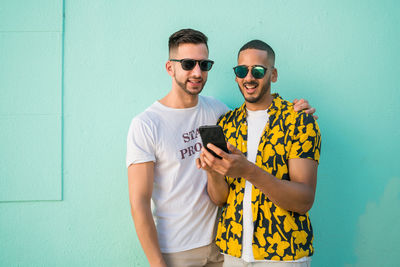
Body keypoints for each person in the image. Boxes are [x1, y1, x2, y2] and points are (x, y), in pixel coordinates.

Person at [126, 29, 316, 267]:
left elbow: (261, 118)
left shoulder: (219, 113)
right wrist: (157, 264)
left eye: (204, 65)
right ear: (170, 67)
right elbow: (139, 203)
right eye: (188, 64)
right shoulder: (146, 124)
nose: (197, 72)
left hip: (223, 249)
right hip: (178, 252)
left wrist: (297, 110)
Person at [197, 40, 321, 267]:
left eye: (258, 71)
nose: (249, 77)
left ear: (273, 75)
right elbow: (221, 199)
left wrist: (248, 170)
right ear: (236, 76)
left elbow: (304, 200)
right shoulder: (226, 124)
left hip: (283, 254)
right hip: (233, 253)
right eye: (242, 70)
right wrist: (212, 172)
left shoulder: (298, 121)